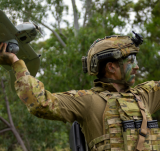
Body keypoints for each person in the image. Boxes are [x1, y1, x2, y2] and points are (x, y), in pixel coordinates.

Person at [0, 34, 160, 151]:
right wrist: (16, 62)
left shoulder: (145, 95)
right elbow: (41, 103)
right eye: (131, 61)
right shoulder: (88, 101)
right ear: (111, 67)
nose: (137, 67)